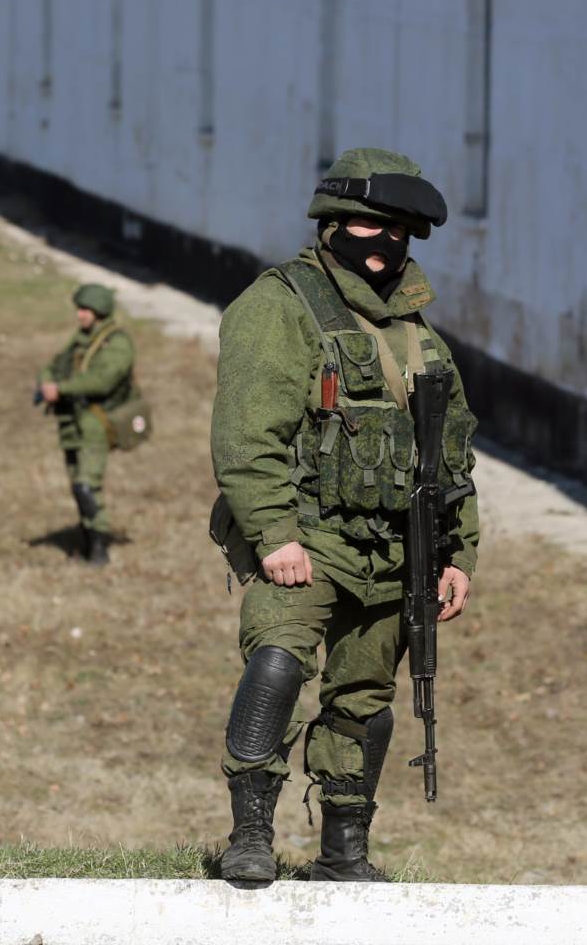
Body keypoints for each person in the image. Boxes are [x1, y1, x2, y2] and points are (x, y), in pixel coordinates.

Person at [209, 147, 480, 884]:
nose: (386, 240)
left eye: (400, 229)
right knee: (276, 663)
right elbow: (246, 437)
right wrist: (274, 535)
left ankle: (343, 853)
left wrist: (458, 554)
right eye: (369, 223)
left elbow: (450, 458)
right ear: (331, 221)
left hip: (396, 550)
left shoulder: (419, 335)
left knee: (364, 699)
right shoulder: (280, 306)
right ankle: (251, 834)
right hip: (309, 535)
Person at [37, 284, 138, 565]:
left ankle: (99, 547)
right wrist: (46, 381)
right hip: (71, 422)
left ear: (99, 310)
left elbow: (101, 380)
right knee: (76, 484)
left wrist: (61, 389)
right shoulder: (81, 338)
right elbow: (55, 364)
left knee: (86, 485)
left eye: (85, 310)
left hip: (96, 422)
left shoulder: (116, 342)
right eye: (79, 309)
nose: (79, 315)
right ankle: (86, 540)